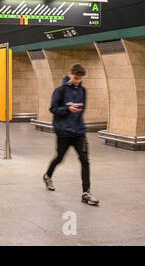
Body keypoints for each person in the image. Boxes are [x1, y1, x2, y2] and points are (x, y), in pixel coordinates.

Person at [42, 63, 100, 206]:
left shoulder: (83, 91)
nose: (78, 81)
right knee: (60, 157)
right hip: (64, 132)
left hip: (79, 132)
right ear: (70, 74)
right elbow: (53, 109)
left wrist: (77, 117)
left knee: (85, 161)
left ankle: (86, 193)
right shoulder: (60, 90)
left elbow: (83, 108)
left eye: (80, 79)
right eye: (76, 78)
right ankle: (48, 175)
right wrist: (67, 109)